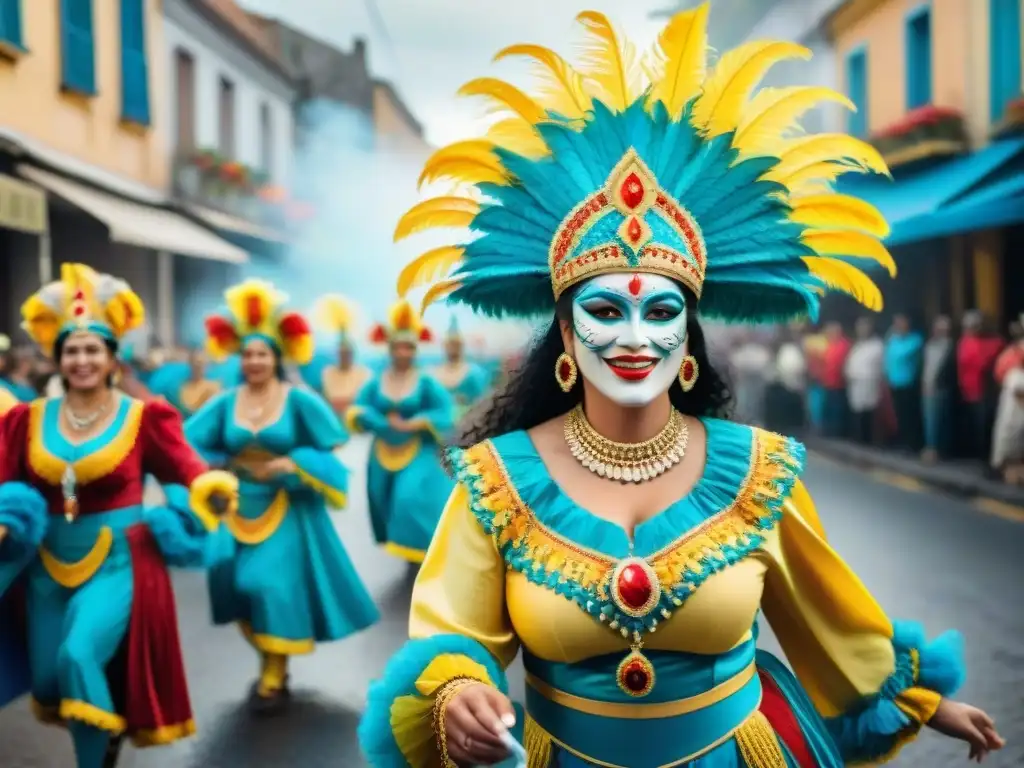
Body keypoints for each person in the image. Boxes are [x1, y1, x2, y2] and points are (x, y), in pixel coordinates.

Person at [358, 8, 1004, 768]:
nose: (635, 336)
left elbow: (833, 621)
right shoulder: (498, 483)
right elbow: (450, 635)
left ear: (688, 342)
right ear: (564, 338)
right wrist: (457, 689)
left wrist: (924, 701)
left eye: (661, 311)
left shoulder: (759, 473)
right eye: (604, 310)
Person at [0, 264, 238, 768]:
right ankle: (102, 725)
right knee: (48, 679)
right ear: (57, 359)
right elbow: (6, 480)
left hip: (119, 561)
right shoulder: (27, 419)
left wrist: (207, 488)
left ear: (112, 358)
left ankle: (93, 757)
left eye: (93, 349)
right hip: (46, 566)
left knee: (77, 656)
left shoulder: (142, 416)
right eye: (72, 350)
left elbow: (186, 466)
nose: (82, 359)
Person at [184, 279, 379, 709]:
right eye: (248, 354)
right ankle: (271, 654)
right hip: (236, 507)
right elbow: (189, 444)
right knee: (233, 585)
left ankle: (272, 669)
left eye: (262, 353)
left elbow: (331, 445)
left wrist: (293, 464)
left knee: (265, 584)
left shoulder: (298, 399)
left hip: (285, 508)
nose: (254, 360)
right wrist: (214, 468)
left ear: (277, 357)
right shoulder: (225, 400)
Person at [345, 300, 455, 564]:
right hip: (382, 452)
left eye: (408, 347)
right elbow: (357, 410)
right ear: (390, 349)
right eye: (398, 347)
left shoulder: (426, 381)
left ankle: (425, 557)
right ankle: (411, 553)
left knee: (409, 498)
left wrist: (416, 423)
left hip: (418, 450)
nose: (403, 352)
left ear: (415, 350)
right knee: (385, 503)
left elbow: (445, 412)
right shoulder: (376, 381)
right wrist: (379, 422)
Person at [314, 293, 371, 419]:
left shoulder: (363, 373)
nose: (344, 355)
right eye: (341, 352)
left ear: (352, 353)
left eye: (347, 352)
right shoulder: (328, 372)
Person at [957, 311, 1005, 460]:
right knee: (974, 426)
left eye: (974, 326)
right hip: (968, 391)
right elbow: (961, 366)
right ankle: (977, 456)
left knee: (986, 426)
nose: (971, 329)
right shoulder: (964, 341)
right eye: (968, 326)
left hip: (988, 391)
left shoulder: (997, 342)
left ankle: (987, 458)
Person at [431, 316, 491, 424]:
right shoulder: (433, 374)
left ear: (461, 346)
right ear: (444, 345)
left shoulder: (474, 373)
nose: (452, 347)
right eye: (450, 344)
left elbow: (483, 404)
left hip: (467, 426)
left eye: (456, 344)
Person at [883, 314, 923, 451]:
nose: (899, 326)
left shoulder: (915, 340)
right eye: (896, 323)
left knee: (911, 415)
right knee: (899, 415)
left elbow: (913, 359)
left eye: (901, 323)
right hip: (895, 383)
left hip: (909, 384)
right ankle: (903, 442)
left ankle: (914, 444)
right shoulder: (892, 341)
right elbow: (887, 359)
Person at [921, 315, 957, 462]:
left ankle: (939, 450)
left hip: (942, 387)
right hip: (927, 387)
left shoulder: (951, 346)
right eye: (938, 327)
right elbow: (926, 367)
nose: (940, 330)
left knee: (941, 420)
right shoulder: (929, 345)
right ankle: (931, 448)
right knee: (929, 420)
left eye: (944, 328)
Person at [845, 318, 885, 445]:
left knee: (868, 411)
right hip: (855, 383)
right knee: (857, 411)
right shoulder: (857, 345)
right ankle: (858, 437)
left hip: (869, 382)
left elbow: (880, 365)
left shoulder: (877, 345)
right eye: (860, 328)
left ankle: (868, 439)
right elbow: (850, 362)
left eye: (864, 327)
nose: (862, 330)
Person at [821, 322, 851, 438]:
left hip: (838, 383)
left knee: (837, 409)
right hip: (828, 383)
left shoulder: (843, 345)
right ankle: (830, 432)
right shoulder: (830, 345)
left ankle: (837, 433)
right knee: (829, 408)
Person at [178, 349, 221, 417]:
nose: (198, 366)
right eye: (196, 362)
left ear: (206, 365)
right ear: (190, 364)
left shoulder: (212, 387)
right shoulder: (184, 386)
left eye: (201, 363)